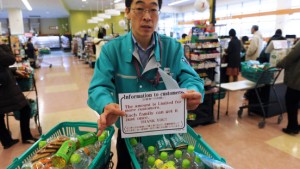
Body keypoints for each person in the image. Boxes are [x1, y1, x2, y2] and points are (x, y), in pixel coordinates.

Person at [87, 0, 204, 168]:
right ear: (127, 11)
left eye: (153, 10)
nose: (147, 17)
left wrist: (194, 90)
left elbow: (190, 77)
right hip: (129, 134)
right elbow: (99, 86)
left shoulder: (172, 48)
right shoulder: (112, 50)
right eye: (140, 9)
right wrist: (105, 104)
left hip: (167, 134)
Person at [0, 43, 38, 149]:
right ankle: (26, 136)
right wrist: (5, 48)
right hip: (4, 88)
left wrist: (13, 70)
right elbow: (10, 59)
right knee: (25, 108)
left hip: (3, 85)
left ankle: (6, 141)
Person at [277, 41, 300, 135]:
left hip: (297, 80)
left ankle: (292, 127)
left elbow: (291, 56)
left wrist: (279, 64)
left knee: (291, 102)